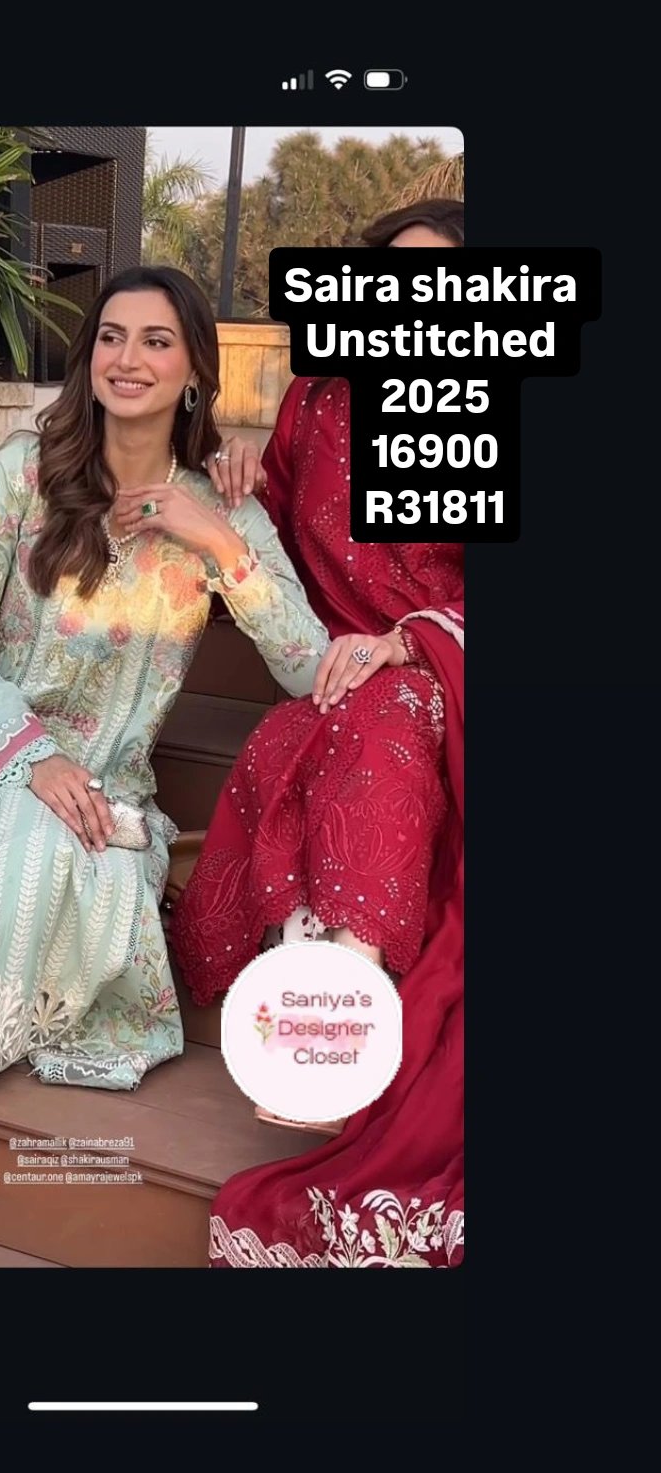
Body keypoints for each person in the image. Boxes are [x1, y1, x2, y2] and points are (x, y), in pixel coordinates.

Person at [0, 267, 329, 1264]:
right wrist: (33, 756)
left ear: (195, 371)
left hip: (105, 802)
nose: (126, 359)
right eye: (110, 336)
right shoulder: (19, 473)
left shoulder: (221, 510)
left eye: (155, 341)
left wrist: (216, 539)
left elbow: (310, 669)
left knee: (38, 867)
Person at [173, 199, 465, 1268]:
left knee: (383, 720)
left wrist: (411, 642)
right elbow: (279, 525)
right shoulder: (319, 400)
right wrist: (241, 471)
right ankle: (312, 997)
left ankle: (336, 1012)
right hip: (341, 673)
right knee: (297, 737)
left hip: (446, 671)